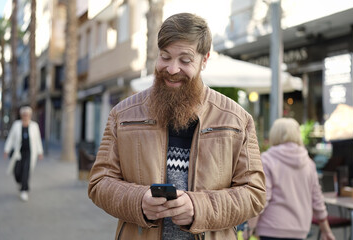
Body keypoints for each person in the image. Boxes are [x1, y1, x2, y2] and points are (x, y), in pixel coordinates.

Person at [88, 12, 266, 240]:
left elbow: (254, 194)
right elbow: (99, 182)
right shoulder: (122, 114)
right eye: (165, 57)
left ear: (204, 60)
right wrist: (139, 201)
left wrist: (197, 207)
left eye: (185, 60)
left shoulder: (237, 120)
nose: (172, 69)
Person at [249, 118, 335, 240]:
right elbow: (317, 200)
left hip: (271, 228)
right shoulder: (309, 163)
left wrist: (250, 227)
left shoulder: (267, 160)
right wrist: (327, 231)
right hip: (300, 230)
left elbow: (262, 198)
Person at [4, 106, 43, 202]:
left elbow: (38, 139)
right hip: (18, 152)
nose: (25, 116)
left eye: (27, 115)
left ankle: (24, 190)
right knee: (17, 171)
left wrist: (40, 152)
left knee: (26, 171)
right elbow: (11, 138)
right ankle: (20, 182)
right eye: (24, 115)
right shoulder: (16, 125)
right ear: (21, 115)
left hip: (29, 152)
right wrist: (6, 149)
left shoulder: (34, 126)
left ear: (30, 115)